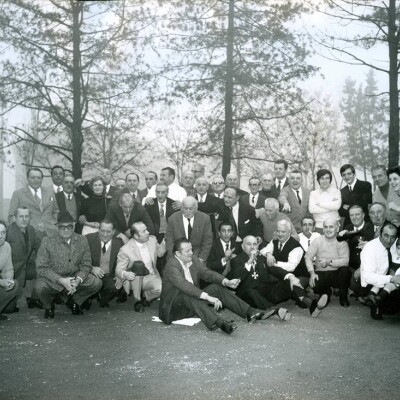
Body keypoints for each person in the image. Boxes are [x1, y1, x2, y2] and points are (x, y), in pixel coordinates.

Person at [159, 238, 274, 334]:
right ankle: (220, 323)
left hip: (193, 304)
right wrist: (208, 297)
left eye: (191, 249)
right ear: (177, 254)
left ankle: (250, 312)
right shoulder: (171, 266)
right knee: (186, 295)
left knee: (216, 287)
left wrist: (226, 281)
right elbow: (185, 286)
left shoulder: (192, 259)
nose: (192, 253)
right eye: (187, 251)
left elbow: (206, 273)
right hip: (174, 310)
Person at [229, 235, 327, 317]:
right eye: (248, 244)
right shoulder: (236, 260)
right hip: (248, 295)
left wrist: (290, 277)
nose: (252, 247)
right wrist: (250, 260)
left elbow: (274, 269)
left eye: (255, 244)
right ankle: (274, 310)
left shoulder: (261, 258)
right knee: (250, 292)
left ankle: (311, 305)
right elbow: (238, 277)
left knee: (289, 282)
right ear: (242, 246)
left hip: (265, 291)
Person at [34, 211, 102, 318]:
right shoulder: (47, 241)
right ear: (57, 227)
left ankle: (75, 301)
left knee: (96, 283)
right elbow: (41, 268)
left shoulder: (82, 240)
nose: (66, 230)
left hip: (74, 278)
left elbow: (86, 265)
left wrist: (78, 279)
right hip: (54, 280)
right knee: (39, 287)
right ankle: (48, 307)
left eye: (69, 226)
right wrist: (60, 280)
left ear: (74, 226)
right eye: (62, 227)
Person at [115, 222, 165, 312]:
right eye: (144, 231)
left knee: (160, 289)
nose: (148, 232)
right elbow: (118, 270)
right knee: (139, 265)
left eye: (146, 229)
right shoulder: (125, 249)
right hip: (133, 279)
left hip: (151, 275)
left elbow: (160, 254)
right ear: (136, 236)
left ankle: (145, 298)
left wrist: (164, 243)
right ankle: (137, 301)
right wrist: (125, 274)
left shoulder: (152, 240)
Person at [305, 218, 351, 306]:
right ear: (323, 229)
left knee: (345, 271)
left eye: (331, 227)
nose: (328, 230)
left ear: (337, 228)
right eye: (326, 227)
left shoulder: (342, 242)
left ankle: (343, 295)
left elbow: (345, 261)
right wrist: (312, 273)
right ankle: (326, 294)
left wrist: (329, 262)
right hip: (321, 272)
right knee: (315, 283)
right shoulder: (317, 240)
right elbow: (308, 257)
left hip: (336, 273)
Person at [360, 221, 400, 319]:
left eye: (392, 237)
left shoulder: (396, 244)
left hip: (389, 278)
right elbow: (368, 277)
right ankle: (373, 300)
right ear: (380, 234)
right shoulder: (370, 248)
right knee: (390, 309)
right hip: (372, 284)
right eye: (386, 235)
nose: (389, 240)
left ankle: (377, 302)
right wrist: (391, 278)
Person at [6, 207, 41, 311]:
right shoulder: (8, 232)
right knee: (9, 309)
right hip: (12, 270)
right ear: (15, 218)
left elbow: (39, 247)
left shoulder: (31, 229)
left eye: (27, 216)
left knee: (44, 271)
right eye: (21, 216)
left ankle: (33, 299)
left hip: (27, 266)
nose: (24, 219)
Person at [8, 167, 58, 237]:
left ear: (42, 179)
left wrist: (55, 224)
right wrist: (19, 233)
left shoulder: (50, 193)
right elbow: (12, 216)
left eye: (39, 178)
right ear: (27, 179)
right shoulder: (18, 194)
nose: (36, 180)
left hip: (50, 233)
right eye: (33, 177)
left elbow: (56, 211)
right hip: (28, 235)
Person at [86, 220, 124, 307]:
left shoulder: (119, 243)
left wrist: (120, 275)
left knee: (116, 286)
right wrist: (91, 268)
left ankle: (102, 297)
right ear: (98, 230)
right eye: (102, 231)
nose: (105, 234)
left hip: (109, 276)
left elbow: (124, 262)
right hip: (91, 275)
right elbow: (79, 259)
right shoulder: (88, 239)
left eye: (108, 231)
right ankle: (87, 297)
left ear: (114, 232)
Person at [165, 197, 213, 262]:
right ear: (181, 208)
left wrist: (202, 258)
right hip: (177, 254)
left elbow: (207, 240)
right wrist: (176, 256)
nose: (188, 211)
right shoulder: (173, 218)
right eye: (185, 208)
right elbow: (169, 240)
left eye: (190, 209)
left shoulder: (205, 218)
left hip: (198, 255)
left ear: (196, 209)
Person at [308, 169, 341, 233]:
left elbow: (336, 206)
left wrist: (320, 204)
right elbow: (312, 209)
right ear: (318, 180)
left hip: (334, 226)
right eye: (322, 178)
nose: (324, 181)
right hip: (319, 226)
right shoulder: (313, 193)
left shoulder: (336, 192)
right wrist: (330, 208)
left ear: (330, 180)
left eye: (327, 178)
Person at [0, 220, 19, 321]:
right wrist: (1, 282)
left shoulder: (6, 246)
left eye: (3, 232)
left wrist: (8, 280)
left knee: (15, 285)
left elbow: (8, 268)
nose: (0, 236)